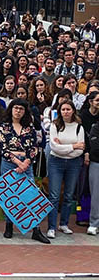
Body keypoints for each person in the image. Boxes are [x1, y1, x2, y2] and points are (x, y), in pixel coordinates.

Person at [0, 99, 49, 243]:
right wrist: (18, 162)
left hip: (27, 164)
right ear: (11, 109)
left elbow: (34, 147)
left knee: (31, 196)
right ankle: (9, 226)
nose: (18, 111)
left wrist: (25, 162)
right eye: (16, 108)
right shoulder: (4, 127)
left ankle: (36, 230)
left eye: (21, 108)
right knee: (10, 196)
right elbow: (3, 148)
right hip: (9, 164)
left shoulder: (30, 128)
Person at [46, 100, 85, 238]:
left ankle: (64, 223)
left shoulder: (79, 127)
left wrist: (64, 146)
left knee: (68, 195)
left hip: (74, 163)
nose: (66, 112)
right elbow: (54, 147)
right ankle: (51, 227)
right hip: (56, 162)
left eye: (68, 109)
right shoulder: (54, 125)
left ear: (73, 110)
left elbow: (81, 150)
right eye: (63, 109)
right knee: (54, 196)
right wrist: (73, 146)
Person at [88, 121, 99, 235]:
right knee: (96, 195)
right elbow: (95, 147)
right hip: (97, 163)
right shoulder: (96, 127)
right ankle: (94, 224)